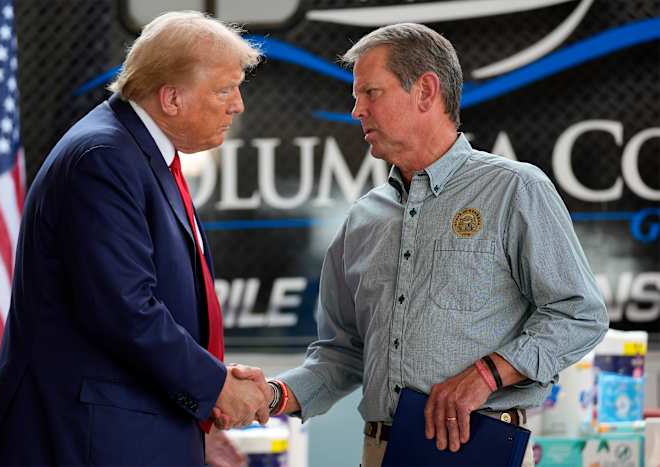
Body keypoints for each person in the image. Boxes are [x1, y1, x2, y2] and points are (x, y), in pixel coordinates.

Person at [261, 23, 608, 467]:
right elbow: (342, 353)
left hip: (476, 448)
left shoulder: (514, 189)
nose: (355, 111)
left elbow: (580, 313)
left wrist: (489, 372)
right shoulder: (363, 219)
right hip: (380, 452)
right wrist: (273, 395)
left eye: (370, 93)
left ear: (425, 90)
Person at [0, 11, 269, 466]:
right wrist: (215, 388)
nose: (238, 105)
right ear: (171, 98)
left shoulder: (135, 153)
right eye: (225, 89)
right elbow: (124, 310)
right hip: (88, 441)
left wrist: (205, 392)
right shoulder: (104, 158)